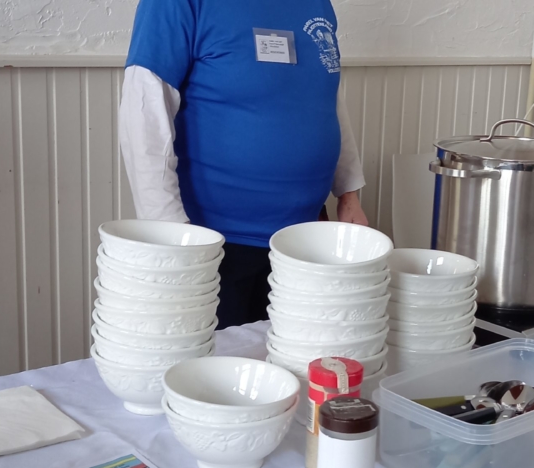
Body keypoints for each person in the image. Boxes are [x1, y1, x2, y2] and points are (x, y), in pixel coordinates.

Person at [119, 0, 367, 330]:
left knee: (300, 356)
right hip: (213, 247)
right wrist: (172, 238)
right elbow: (145, 117)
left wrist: (349, 195)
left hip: (306, 242)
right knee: (221, 359)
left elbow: (327, 98)